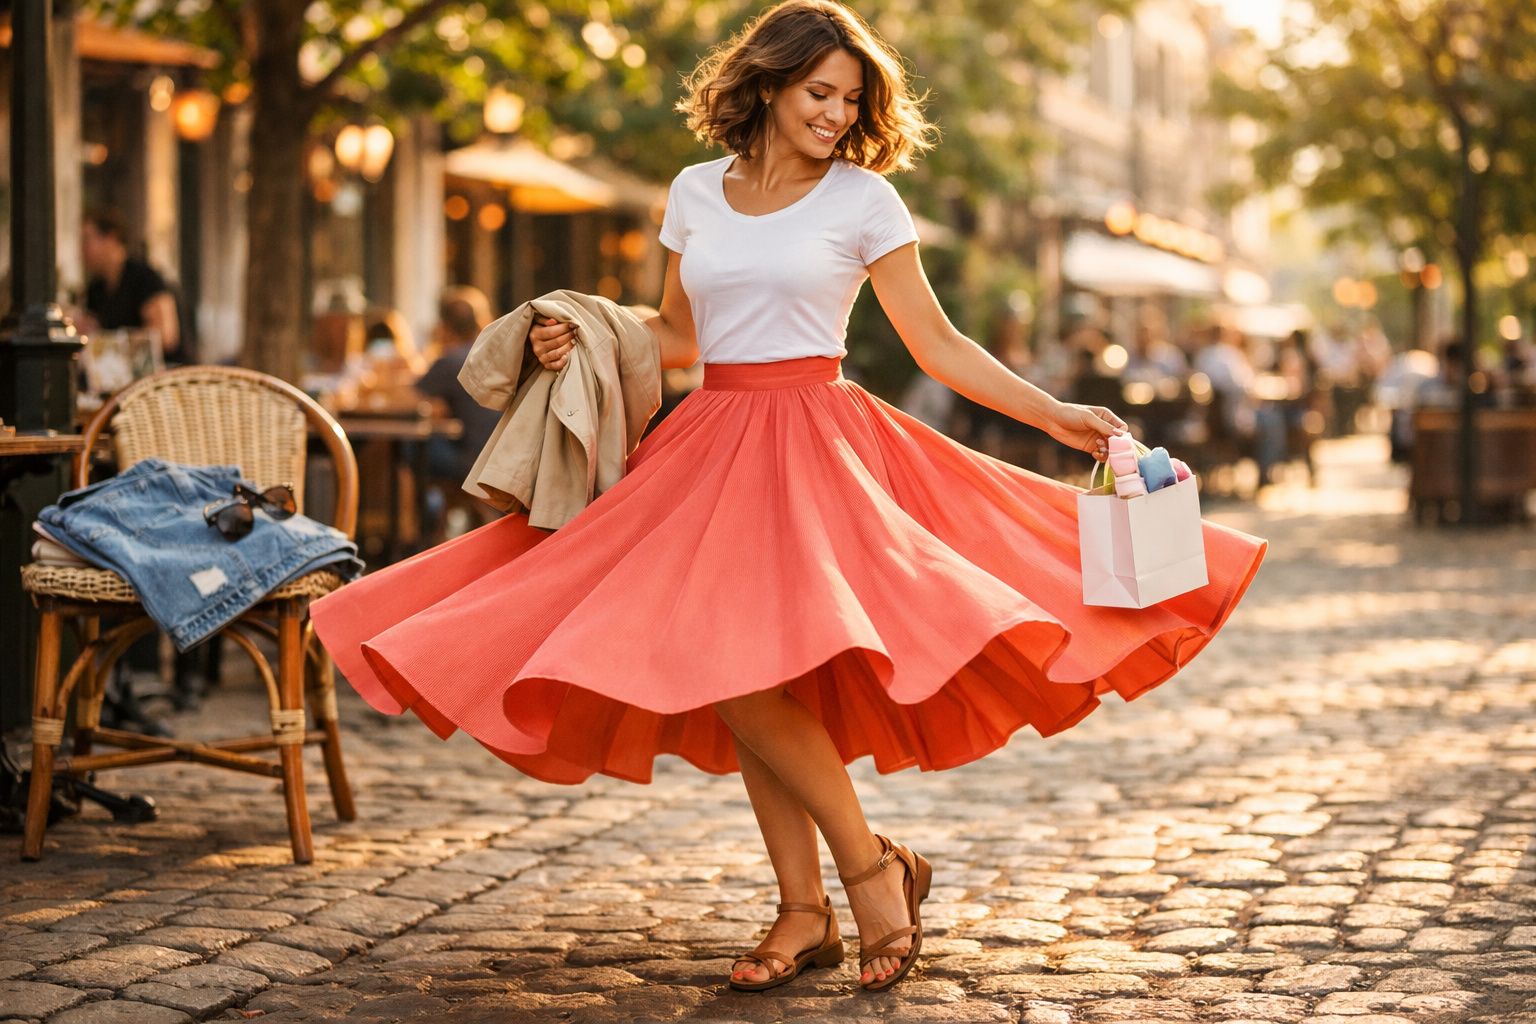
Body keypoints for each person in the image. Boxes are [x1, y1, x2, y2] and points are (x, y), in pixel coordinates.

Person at [308, 0, 1267, 996]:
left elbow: (937, 344)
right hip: (710, 446)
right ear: (766, 84)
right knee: (741, 673)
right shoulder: (693, 192)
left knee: (755, 675)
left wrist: (1053, 411)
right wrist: (581, 328)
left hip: (819, 444)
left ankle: (853, 882)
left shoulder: (864, 201)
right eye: (819, 93)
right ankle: (822, 899)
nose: (836, 114)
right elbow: (678, 336)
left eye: (851, 100)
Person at [79, 208, 182, 361]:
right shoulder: (96, 288)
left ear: (111, 239)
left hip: (163, 377)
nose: (82, 249)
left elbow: (167, 336)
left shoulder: (144, 277)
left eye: (87, 240)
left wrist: (111, 342)